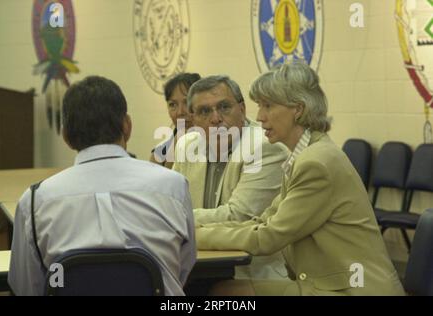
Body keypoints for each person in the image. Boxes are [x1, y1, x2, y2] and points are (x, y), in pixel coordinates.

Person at [196, 61, 405, 296]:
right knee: (223, 290)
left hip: (354, 290)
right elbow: (262, 220)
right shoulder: (306, 154)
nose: (260, 116)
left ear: (298, 109)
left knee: (226, 293)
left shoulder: (316, 163)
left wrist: (194, 235)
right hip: (329, 283)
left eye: (268, 106)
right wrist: (197, 228)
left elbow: (268, 237)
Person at [8, 76, 196, 296]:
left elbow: (27, 288)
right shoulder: (173, 186)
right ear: (127, 126)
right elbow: (182, 268)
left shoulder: (34, 202)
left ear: (66, 136)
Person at [173, 75, 288, 280]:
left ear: (242, 110)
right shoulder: (187, 145)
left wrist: (174, 219)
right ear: (193, 119)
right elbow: (171, 203)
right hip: (196, 264)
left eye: (224, 107)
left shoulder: (264, 147)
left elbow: (239, 216)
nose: (216, 118)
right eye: (204, 111)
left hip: (251, 273)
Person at [150, 72, 201, 169]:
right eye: (172, 105)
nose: (180, 112)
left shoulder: (218, 145)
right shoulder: (160, 153)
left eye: (186, 102)